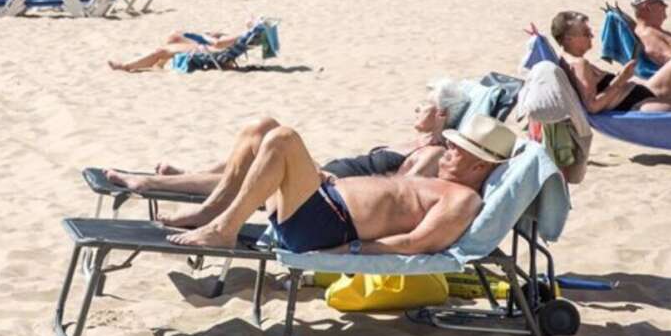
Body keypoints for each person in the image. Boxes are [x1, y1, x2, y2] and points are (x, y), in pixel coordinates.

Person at [165, 114, 516, 253]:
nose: (449, 149)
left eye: (458, 148)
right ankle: (212, 211)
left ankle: (224, 229)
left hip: (325, 226)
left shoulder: (462, 199)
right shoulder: (436, 178)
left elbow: (416, 242)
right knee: (261, 127)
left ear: (480, 163)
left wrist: (349, 253)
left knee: (283, 139)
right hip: (321, 201)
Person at [105, 91, 469, 216]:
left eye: (424, 105)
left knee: (269, 139)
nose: (415, 109)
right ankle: (181, 177)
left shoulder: (435, 153)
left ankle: (152, 181)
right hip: (327, 177)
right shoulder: (413, 143)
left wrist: (333, 181)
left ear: (441, 115)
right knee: (260, 128)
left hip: (332, 192)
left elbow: (400, 193)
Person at [107, 23, 253, 72]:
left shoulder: (236, 37)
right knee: (176, 35)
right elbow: (220, 42)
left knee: (161, 51)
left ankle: (126, 66)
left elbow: (218, 45)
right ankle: (159, 64)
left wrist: (207, 37)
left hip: (208, 52)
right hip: (209, 48)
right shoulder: (239, 37)